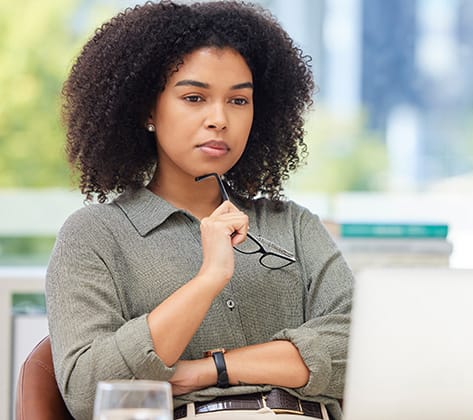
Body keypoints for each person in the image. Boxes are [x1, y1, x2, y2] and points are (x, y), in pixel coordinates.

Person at [45, 2, 353, 419]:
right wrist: (209, 279)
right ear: (147, 110)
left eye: (239, 101)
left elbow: (362, 349)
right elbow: (89, 393)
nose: (219, 119)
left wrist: (212, 369)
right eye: (194, 97)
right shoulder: (94, 236)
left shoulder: (293, 225)